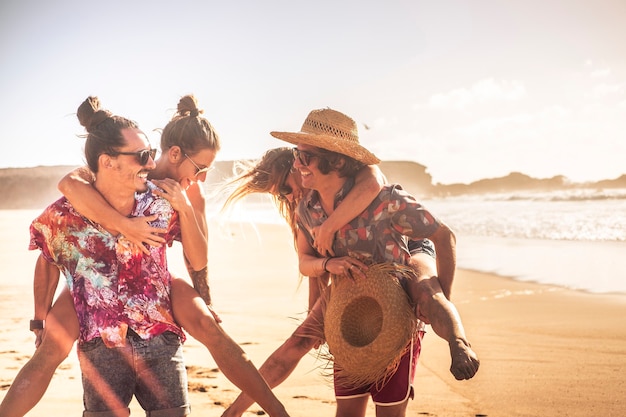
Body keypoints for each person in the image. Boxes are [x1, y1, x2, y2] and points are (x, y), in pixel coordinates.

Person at [0, 96, 290, 417]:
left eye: (149, 155)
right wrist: (39, 319)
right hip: (95, 287)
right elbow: (56, 233)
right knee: (49, 351)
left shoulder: (178, 194)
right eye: (201, 168)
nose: (150, 163)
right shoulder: (93, 189)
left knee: (211, 330)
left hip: (153, 286)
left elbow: (198, 257)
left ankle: (275, 410)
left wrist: (204, 297)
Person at [219, 143, 478, 416]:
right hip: (354, 271)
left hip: (404, 248)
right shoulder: (306, 211)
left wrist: (440, 299)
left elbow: (376, 182)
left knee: (424, 286)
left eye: (285, 189)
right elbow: (313, 267)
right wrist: (315, 310)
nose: (290, 196)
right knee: (299, 341)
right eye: (282, 196)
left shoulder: (367, 187)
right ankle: (234, 411)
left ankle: (457, 340)